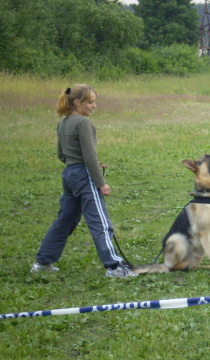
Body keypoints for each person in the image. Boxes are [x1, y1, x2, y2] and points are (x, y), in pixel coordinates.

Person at [30, 84, 137, 278]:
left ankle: (43, 261)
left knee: (65, 220)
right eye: (91, 102)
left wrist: (78, 166)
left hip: (70, 174)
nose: (94, 106)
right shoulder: (83, 123)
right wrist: (100, 181)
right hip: (84, 176)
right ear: (78, 102)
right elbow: (89, 156)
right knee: (100, 222)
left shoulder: (63, 122)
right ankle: (114, 267)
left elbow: (62, 154)